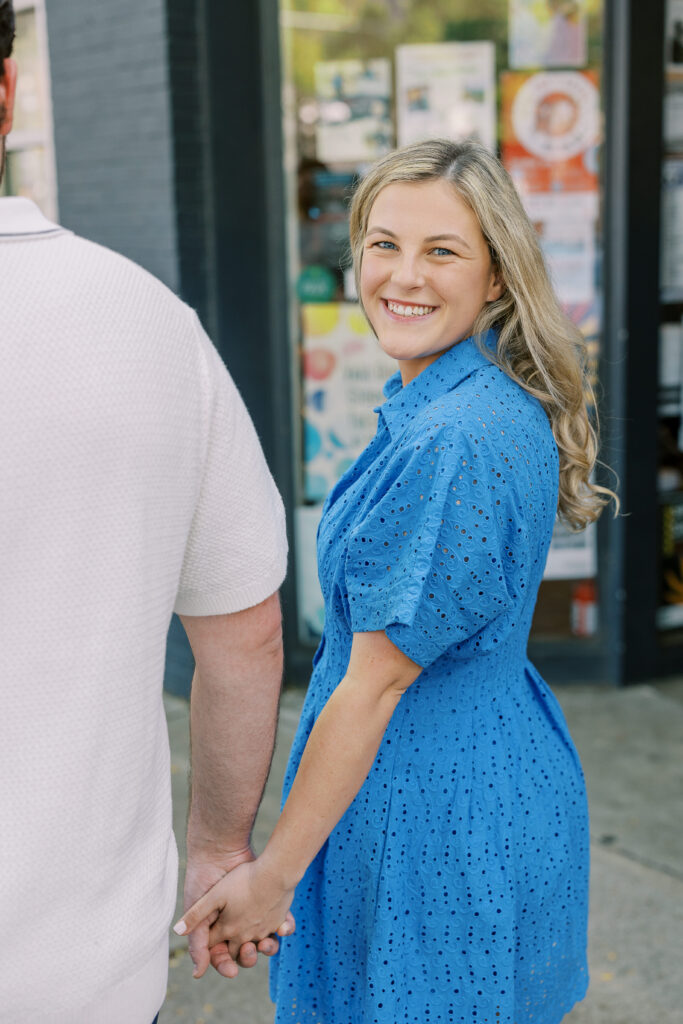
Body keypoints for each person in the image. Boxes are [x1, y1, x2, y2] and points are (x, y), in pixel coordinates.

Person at [176, 140, 615, 1022]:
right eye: (383, 244)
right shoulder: (470, 401)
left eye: (441, 251)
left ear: (496, 277)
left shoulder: (453, 437)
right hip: (468, 773)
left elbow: (375, 686)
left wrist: (272, 879)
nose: (402, 276)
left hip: (433, 809)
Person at [0, 4, 291, 1022]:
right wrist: (219, 847)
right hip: (82, 978)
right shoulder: (149, 325)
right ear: (7, 95)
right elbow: (246, 635)